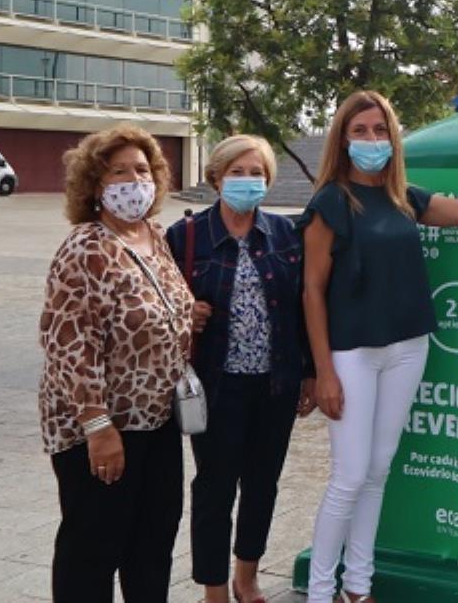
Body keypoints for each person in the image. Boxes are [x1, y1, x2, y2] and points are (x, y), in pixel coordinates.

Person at [303, 91, 458, 603]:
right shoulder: (330, 202)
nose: (371, 140)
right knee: (349, 477)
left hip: (408, 347)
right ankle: (320, 591)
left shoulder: (406, 196)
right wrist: (323, 372)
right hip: (351, 353)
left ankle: (357, 587)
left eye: (380, 130)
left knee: (378, 471)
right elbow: (312, 290)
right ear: (342, 138)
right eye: (359, 131)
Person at [38, 124, 193, 602]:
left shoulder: (155, 237)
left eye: (142, 170)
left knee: (152, 545)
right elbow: (67, 344)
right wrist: (98, 426)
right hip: (102, 430)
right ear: (95, 185)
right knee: (93, 550)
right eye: (119, 171)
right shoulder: (86, 246)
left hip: (158, 421)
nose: (133, 180)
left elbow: (156, 306)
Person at [166, 135, 316, 603]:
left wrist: (309, 373)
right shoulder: (185, 236)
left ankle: (245, 576)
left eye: (256, 173)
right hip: (216, 386)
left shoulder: (287, 235)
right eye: (237, 172)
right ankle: (214, 588)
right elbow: (159, 303)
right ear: (215, 178)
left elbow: (302, 309)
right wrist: (184, 314)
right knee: (214, 488)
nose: (247, 181)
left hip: (275, 384)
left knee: (262, 485)